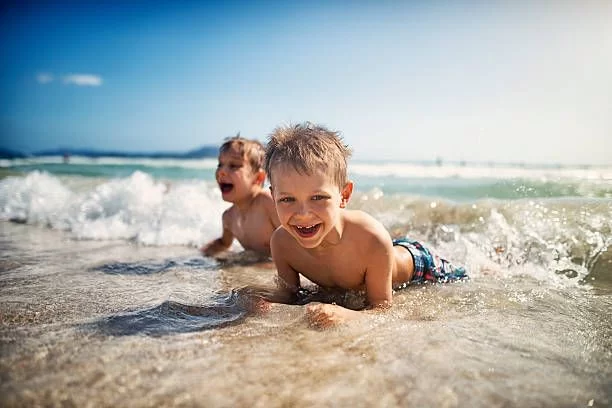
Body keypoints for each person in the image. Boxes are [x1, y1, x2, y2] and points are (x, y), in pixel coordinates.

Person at [264, 123, 467, 328]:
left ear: (344, 195)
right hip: (379, 256)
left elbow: (383, 309)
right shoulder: (282, 243)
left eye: (318, 197)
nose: (303, 214)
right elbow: (288, 295)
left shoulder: (371, 238)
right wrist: (261, 303)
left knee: (464, 277)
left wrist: (346, 315)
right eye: (287, 200)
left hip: (421, 265)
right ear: (273, 196)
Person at [201, 135, 280, 257]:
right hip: (255, 269)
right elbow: (223, 244)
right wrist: (200, 254)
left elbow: (295, 242)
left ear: (258, 178)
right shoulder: (229, 218)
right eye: (219, 165)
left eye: (233, 166)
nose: (221, 171)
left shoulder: (267, 203)